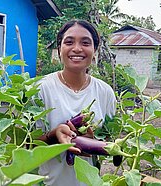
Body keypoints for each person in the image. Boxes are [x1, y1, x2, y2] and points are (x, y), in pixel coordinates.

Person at [36, 19, 116, 186]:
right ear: (59, 49)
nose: (77, 48)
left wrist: (93, 143)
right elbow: (25, 146)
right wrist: (53, 136)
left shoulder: (105, 92)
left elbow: (110, 144)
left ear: (95, 51)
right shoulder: (40, 88)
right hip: (47, 182)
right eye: (69, 42)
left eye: (85, 43)